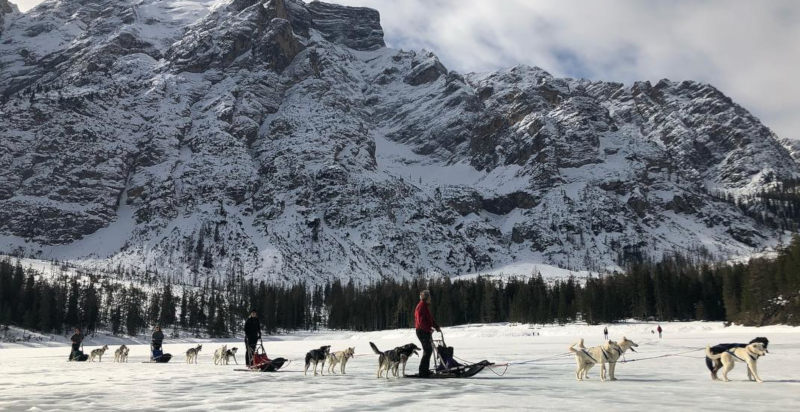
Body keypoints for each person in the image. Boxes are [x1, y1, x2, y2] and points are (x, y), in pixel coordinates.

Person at [415, 290, 441, 377]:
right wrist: (428, 329)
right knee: (427, 350)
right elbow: (421, 322)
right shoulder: (421, 307)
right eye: (429, 297)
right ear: (426, 298)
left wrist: (436, 326)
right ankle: (423, 371)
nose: (430, 299)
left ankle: (424, 370)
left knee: (428, 350)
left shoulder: (425, 306)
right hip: (422, 331)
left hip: (425, 331)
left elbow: (430, 319)